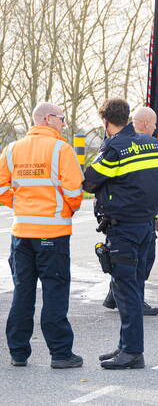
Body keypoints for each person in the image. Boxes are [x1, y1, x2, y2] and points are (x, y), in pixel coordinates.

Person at [83, 98, 158, 369]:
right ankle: (125, 345)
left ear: (106, 122)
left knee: (125, 290)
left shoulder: (114, 149)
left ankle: (132, 352)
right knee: (134, 285)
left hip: (123, 228)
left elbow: (89, 180)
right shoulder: (155, 144)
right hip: (146, 226)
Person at [0, 102, 84, 369]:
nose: (63, 123)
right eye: (61, 118)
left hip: (21, 233)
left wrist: (21, 205)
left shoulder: (12, 149)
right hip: (52, 233)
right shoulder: (61, 149)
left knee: (23, 292)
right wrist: (64, 209)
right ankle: (60, 354)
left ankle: (18, 352)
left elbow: (2, 188)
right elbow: (74, 193)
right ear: (48, 119)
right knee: (55, 292)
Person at [100, 106, 158, 316]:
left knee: (134, 260)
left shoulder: (128, 143)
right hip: (134, 216)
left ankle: (117, 295)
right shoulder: (131, 145)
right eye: (155, 124)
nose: (156, 128)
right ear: (147, 124)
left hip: (139, 214)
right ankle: (132, 300)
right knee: (138, 260)